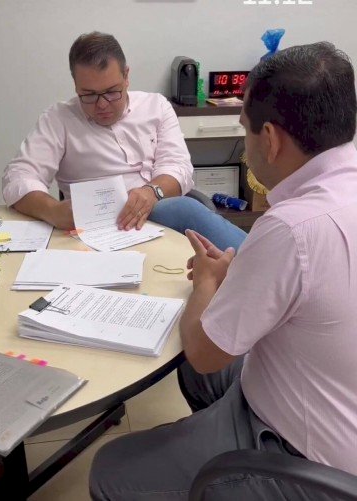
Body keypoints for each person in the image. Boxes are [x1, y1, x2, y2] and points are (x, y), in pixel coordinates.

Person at [89, 41, 357, 500]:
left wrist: (207, 283)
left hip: (310, 459)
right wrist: (246, 274)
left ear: (269, 138)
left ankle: (233, 473)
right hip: (327, 394)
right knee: (202, 377)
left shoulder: (290, 229)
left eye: (244, 129)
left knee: (110, 470)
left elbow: (204, 353)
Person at [2, 31, 246, 251]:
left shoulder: (156, 106)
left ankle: (261, 263)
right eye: (88, 95)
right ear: (76, 86)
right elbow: (18, 176)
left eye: (111, 91)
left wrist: (151, 192)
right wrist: (53, 211)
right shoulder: (59, 119)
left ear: (126, 76)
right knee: (186, 211)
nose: (102, 104)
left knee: (185, 210)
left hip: (159, 214)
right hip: (97, 230)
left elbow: (178, 167)